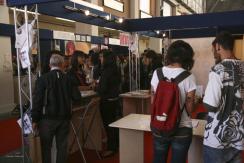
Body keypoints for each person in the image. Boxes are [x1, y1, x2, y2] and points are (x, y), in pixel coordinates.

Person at [150, 40, 197, 163]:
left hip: (160, 124)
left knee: (158, 159)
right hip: (182, 127)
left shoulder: (157, 72)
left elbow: (153, 101)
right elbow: (190, 108)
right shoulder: (189, 77)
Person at [203, 31, 244, 163]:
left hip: (217, 139)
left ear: (218, 46)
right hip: (238, 137)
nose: (213, 53)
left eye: (213, 50)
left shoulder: (218, 70)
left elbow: (211, 105)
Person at [32, 54, 81, 163]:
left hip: (47, 119)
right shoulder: (69, 79)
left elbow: (38, 101)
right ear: (62, 64)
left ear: (50, 65)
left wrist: (34, 119)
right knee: (62, 147)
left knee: (46, 148)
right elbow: (77, 97)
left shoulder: (43, 79)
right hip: (65, 118)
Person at [96, 50, 121, 157]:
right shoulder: (116, 69)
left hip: (107, 101)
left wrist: (96, 87)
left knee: (109, 125)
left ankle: (112, 148)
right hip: (114, 99)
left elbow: (103, 88)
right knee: (113, 124)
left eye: (101, 57)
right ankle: (115, 144)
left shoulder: (106, 71)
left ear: (106, 58)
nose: (100, 59)